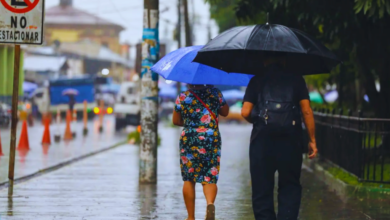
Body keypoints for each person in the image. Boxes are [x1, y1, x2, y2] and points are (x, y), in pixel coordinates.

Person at [241, 55, 318, 220]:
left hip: (262, 141)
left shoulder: (256, 80)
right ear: (284, 60)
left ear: (264, 60)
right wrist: (312, 140)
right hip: (290, 141)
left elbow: (245, 112)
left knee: (262, 189)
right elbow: (306, 111)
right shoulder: (297, 80)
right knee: (290, 186)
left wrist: (258, 121)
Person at [172, 84, 229, 220]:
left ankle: (191, 217)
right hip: (211, 138)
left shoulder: (183, 96)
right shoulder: (216, 93)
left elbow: (175, 121)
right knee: (210, 175)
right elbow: (225, 112)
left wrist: (192, 124)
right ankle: (210, 204)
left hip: (189, 138)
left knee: (189, 178)